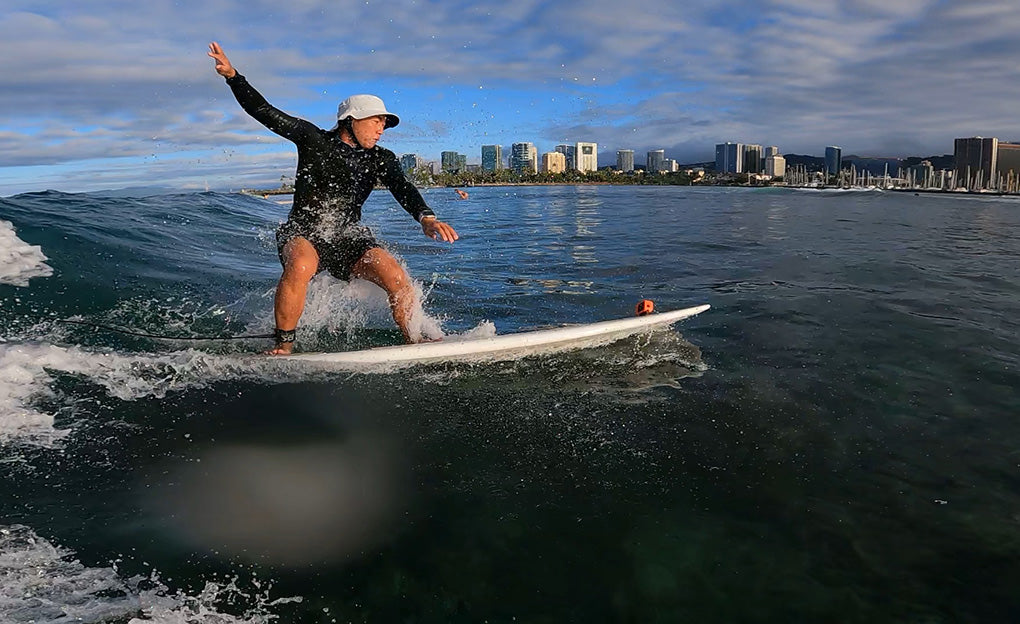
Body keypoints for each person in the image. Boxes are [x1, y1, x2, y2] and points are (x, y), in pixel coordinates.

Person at [207, 42, 458, 354]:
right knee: (300, 265)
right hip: (303, 231)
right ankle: (284, 345)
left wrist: (427, 217)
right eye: (375, 120)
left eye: (384, 123)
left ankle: (416, 341)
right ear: (350, 119)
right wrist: (233, 76)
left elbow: (401, 186)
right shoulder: (313, 140)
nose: (381, 128)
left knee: (394, 273)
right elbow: (266, 113)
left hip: (348, 236)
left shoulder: (382, 157)